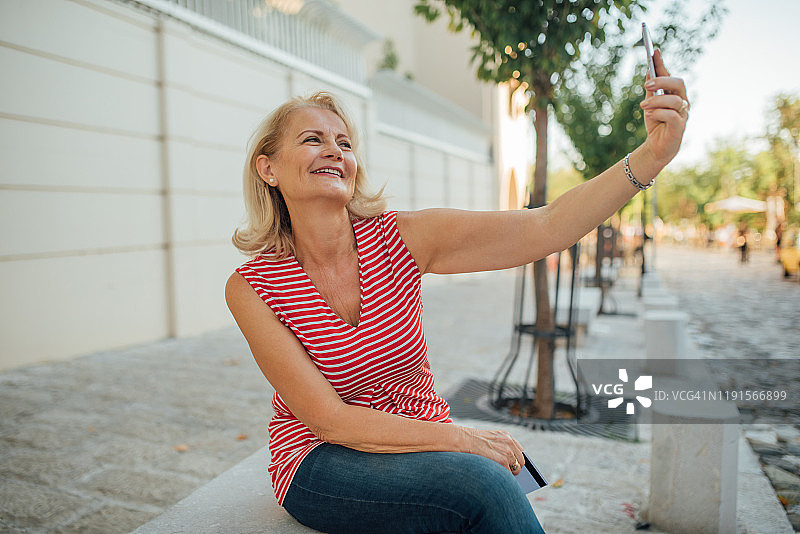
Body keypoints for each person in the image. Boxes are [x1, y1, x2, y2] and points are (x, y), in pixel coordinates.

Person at [225, 49, 688, 534]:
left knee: (482, 484)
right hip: (321, 461)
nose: (335, 150)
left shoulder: (399, 238)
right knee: (481, 483)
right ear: (268, 168)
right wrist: (463, 440)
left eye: (344, 142)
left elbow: (546, 227)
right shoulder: (252, 288)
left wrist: (652, 156)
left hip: (425, 436)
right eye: (312, 139)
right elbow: (330, 422)